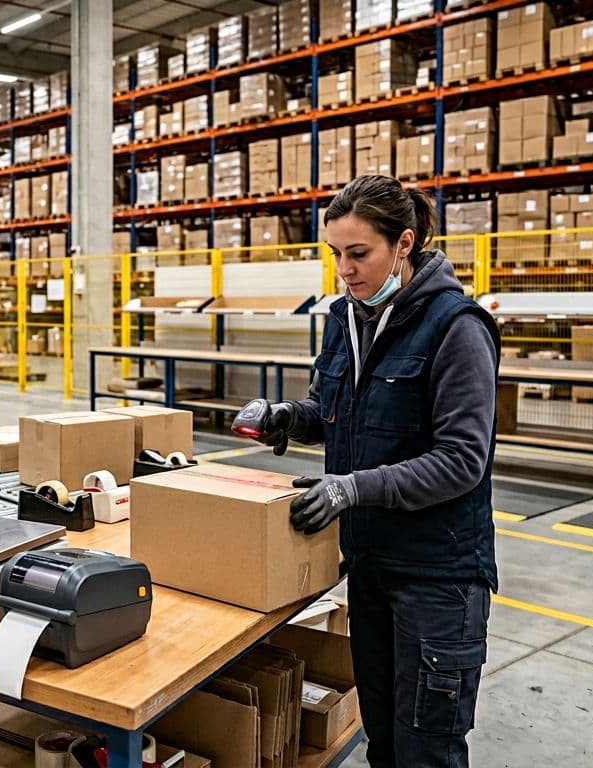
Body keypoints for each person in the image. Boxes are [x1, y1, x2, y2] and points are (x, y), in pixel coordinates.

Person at [233, 175, 500, 767]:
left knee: (425, 750)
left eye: (360, 254)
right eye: (336, 255)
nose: (345, 270)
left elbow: (461, 460)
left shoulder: (457, 329)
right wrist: (285, 418)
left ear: (404, 243)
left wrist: (354, 488)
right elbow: (341, 414)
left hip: (437, 576)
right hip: (370, 567)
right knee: (382, 737)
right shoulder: (345, 319)